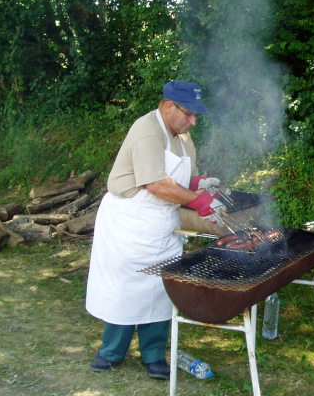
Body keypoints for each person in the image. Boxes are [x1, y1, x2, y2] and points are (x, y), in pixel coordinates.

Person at [86, 80, 225, 380]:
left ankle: (153, 354)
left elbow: (184, 178)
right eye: (189, 114)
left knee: (162, 288)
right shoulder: (146, 130)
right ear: (167, 106)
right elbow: (157, 184)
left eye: (196, 116)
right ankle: (111, 351)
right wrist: (198, 202)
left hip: (162, 223)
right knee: (126, 289)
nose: (194, 121)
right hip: (130, 220)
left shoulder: (184, 136)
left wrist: (201, 184)